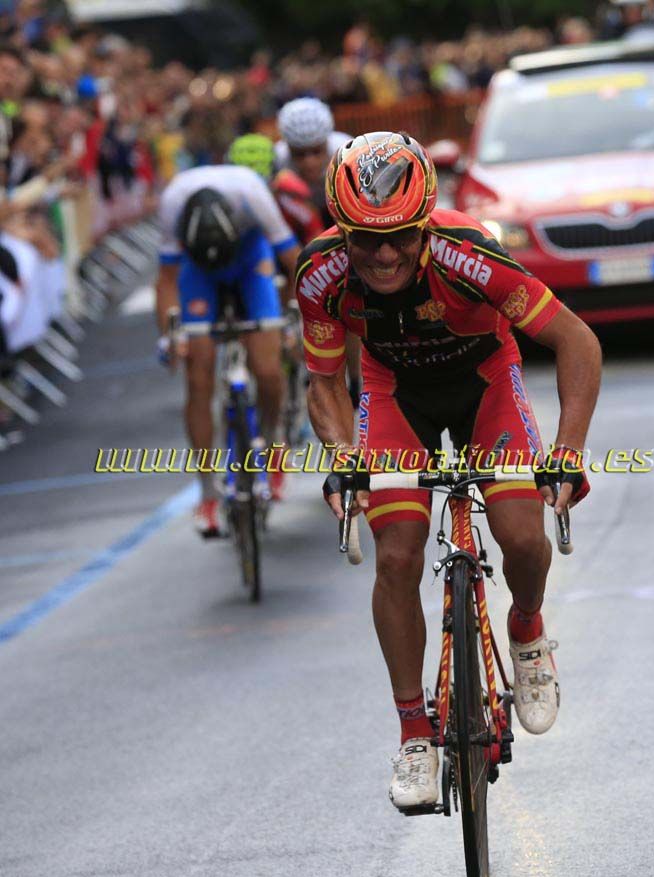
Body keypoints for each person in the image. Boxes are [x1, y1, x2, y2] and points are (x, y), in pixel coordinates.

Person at [296, 132, 601, 811]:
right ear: (340, 229)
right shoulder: (319, 271)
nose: (381, 255)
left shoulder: (472, 255)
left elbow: (576, 340)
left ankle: (525, 629)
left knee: (522, 538)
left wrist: (568, 450)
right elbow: (322, 382)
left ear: (426, 223)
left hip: (483, 381)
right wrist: (345, 460)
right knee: (397, 556)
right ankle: (413, 731)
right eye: (363, 239)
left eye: (400, 237)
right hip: (393, 391)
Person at [156, 162, 299, 535]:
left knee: (267, 369)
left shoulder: (252, 194)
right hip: (198, 270)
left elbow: (292, 259)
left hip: (251, 257)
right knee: (198, 375)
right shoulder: (172, 203)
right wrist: (170, 334)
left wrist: (311, 315)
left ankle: (272, 440)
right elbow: (167, 279)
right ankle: (206, 492)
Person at [275, 97, 361, 407]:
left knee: (347, 296)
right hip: (294, 223)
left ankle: (355, 379)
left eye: (316, 151)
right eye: (300, 154)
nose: (310, 162)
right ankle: (289, 340)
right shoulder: (276, 162)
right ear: (287, 147)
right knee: (285, 275)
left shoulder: (349, 153)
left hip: (336, 215)